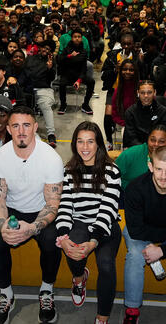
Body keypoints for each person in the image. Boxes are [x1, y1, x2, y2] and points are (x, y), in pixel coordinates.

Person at [0, 106, 63, 324]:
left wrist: (32, 228)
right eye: (15, 125)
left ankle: (47, 290)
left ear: (36, 127)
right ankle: (6, 294)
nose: (21, 131)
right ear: (9, 129)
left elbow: (52, 203)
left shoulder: (51, 158)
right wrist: (3, 226)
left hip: (41, 209)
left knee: (51, 240)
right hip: (12, 209)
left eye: (27, 125)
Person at [56, 121, 121, 324]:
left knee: (106, 266)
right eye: (80, 141)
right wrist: (63, 236)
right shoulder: (68, 170)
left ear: (98, 144)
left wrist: (93, 241)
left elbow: (107, 209)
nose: (85, 147)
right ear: (74, 144)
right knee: (73, 249)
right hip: (80, 222)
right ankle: (78, 277)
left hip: (106, 224)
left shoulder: (112, 171)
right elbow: (65, 206)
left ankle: (102, 317)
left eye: (90, 142)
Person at [123, 145, 166, 323]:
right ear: (150, 166)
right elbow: (135, 229)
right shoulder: (135, 188)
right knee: (135, 255)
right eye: (159, 169)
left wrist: (161, 250)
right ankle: (132, 310)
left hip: (160, 234)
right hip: (140, 231)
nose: (164, 176)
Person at [116, 124, 166, 190]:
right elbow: (111, 176)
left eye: (161, 141)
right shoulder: (131, 154)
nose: (156, 144)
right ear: (147, 139)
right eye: (152, 140)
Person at [58, 28, 95, 115]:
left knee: (91, 82)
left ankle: (85, 105)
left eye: (79, 37)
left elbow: (83, 68)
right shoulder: (66, 49)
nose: (77, 38)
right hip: (67, 74)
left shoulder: (84, 51)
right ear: (72, 38)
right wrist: (69, 56)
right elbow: (59, 60)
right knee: (62, 84)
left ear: (81, 38)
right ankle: (63, 104)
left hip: (79, 75)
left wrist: (79, 80)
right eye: (75, 37)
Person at [123, 81, 166, 148]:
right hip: (138, 148)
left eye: (149, 92)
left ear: (155, 92)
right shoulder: (130, 112)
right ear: (138, 93)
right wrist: (144, 149)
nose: (146, 96)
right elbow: (131, 138)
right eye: (142, 93)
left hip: (158, 148)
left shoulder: (163, 111)